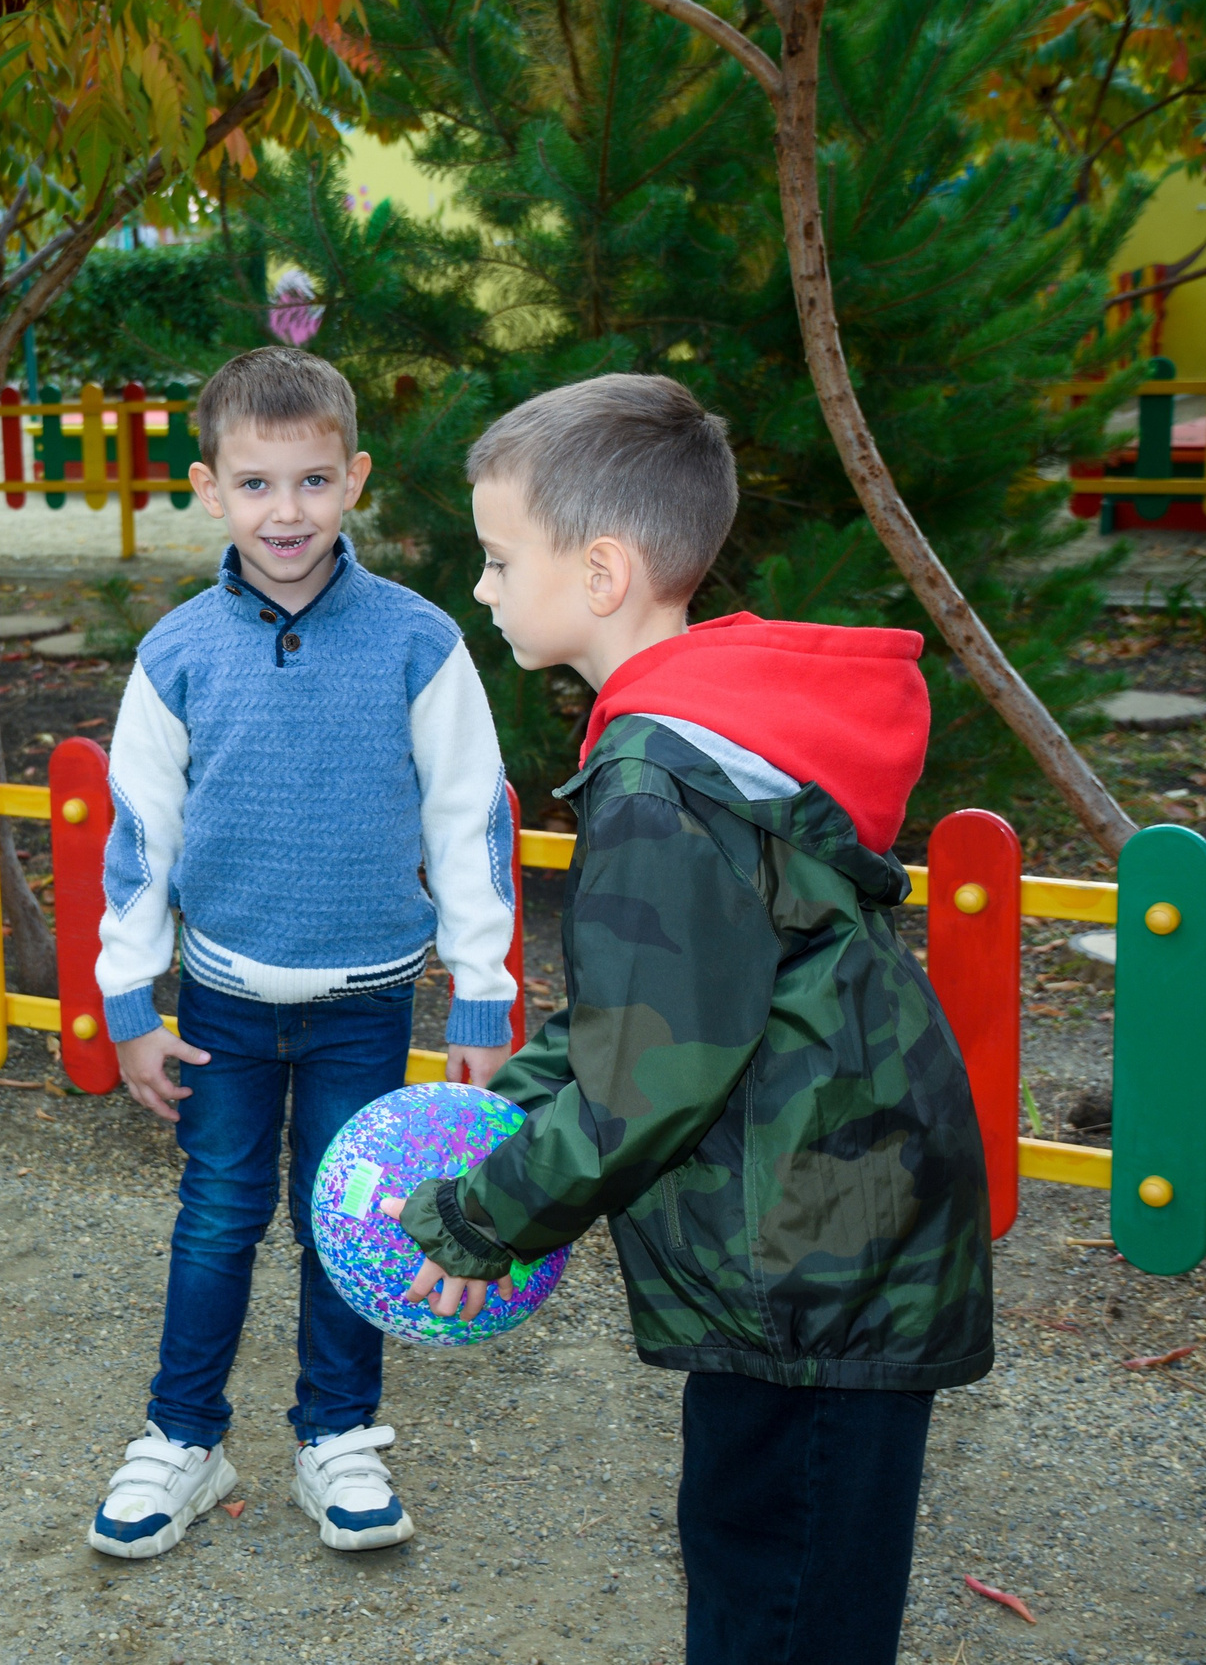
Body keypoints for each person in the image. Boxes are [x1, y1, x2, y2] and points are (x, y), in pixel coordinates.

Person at [383, 373, 993, 1665]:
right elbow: (649, 1005)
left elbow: (651, 1068)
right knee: (764, 1552)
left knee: (779, 1592)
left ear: (601, 571)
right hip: (821, 1224)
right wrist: (514, 1102)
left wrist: (480, 1214)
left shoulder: (660, 772)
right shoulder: (700, 733)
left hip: (816, 1260)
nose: (482, 590)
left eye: (499, 560)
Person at [88, 345, 520, 1560]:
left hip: (366, 1002)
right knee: (219, 1216)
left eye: (315, 482)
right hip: (222, 1001)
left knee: (352, 1220)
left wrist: (480, 1002)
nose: (288, 512)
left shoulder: (416, 640)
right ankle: (182, 1437)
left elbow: (469, 815)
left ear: (356, 480)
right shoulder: (176, 651)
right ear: (210, 488)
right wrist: (129, 1000)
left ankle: (338, 1438)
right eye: (258, 484)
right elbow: (139, 837)